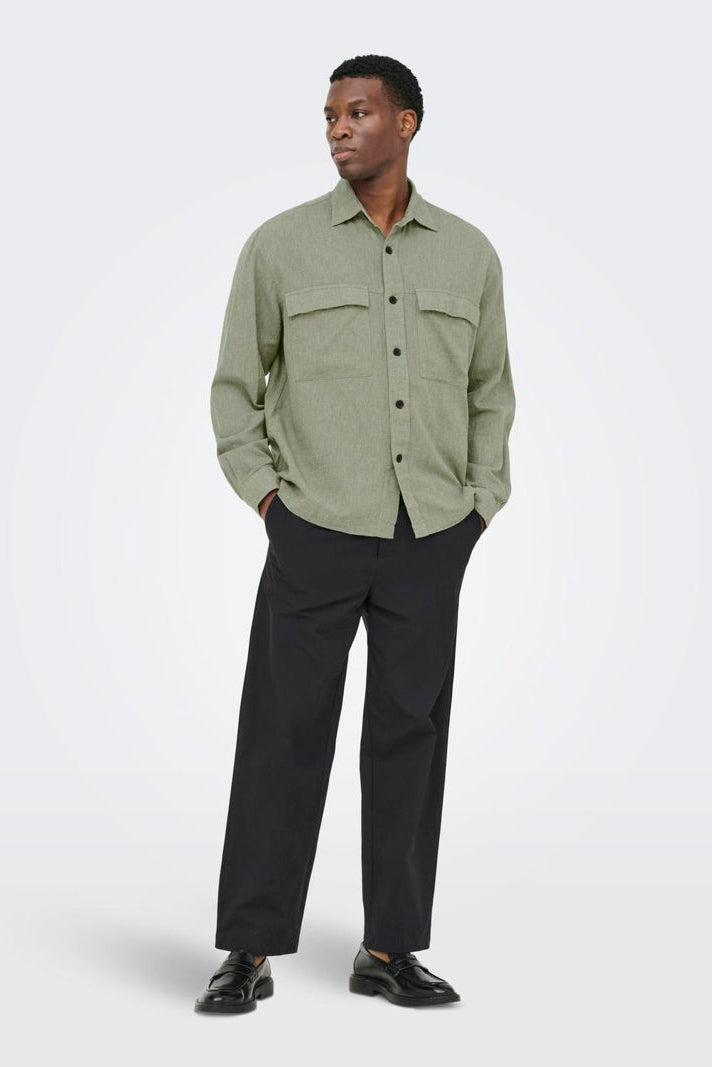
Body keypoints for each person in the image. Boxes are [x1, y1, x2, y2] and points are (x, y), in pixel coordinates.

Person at [195, 53, 516, 1014]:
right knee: (282, 734)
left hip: (432, 530)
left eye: (360, 112)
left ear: (406, 123)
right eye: (331, 115)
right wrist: (269, 502)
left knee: (411, 735)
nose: (339, 128)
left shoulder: (469, 255)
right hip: (315, 527)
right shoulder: (280, 246)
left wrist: (479, 504)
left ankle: (390, 946)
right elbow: (234, 390)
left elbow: (491, 392)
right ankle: (249, 948)